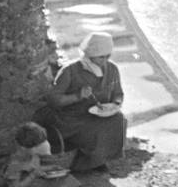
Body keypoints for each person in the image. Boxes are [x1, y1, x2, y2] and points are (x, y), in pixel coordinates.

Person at [43, 31, 127, 173]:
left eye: (108, 56)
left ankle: (99, 160)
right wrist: (77, 96)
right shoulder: (70, 71)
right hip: (72, 118)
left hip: (98, 114)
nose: (105, 60)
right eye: (101, 57)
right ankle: (83, 164)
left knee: (119, 119)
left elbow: (118, 93)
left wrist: (115, 104)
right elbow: (54, 100)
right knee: (94, 130)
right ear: (90, 55)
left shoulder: (112, 69)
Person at [3, 122, 86, 187]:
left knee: (64, 179)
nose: (40, 148)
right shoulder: (15, 164)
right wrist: (34, 175)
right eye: (37, 146)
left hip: (34, 186)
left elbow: (35, 168)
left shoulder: (32, 154)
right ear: (24, 147)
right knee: (66, 181)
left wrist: (50, 167)